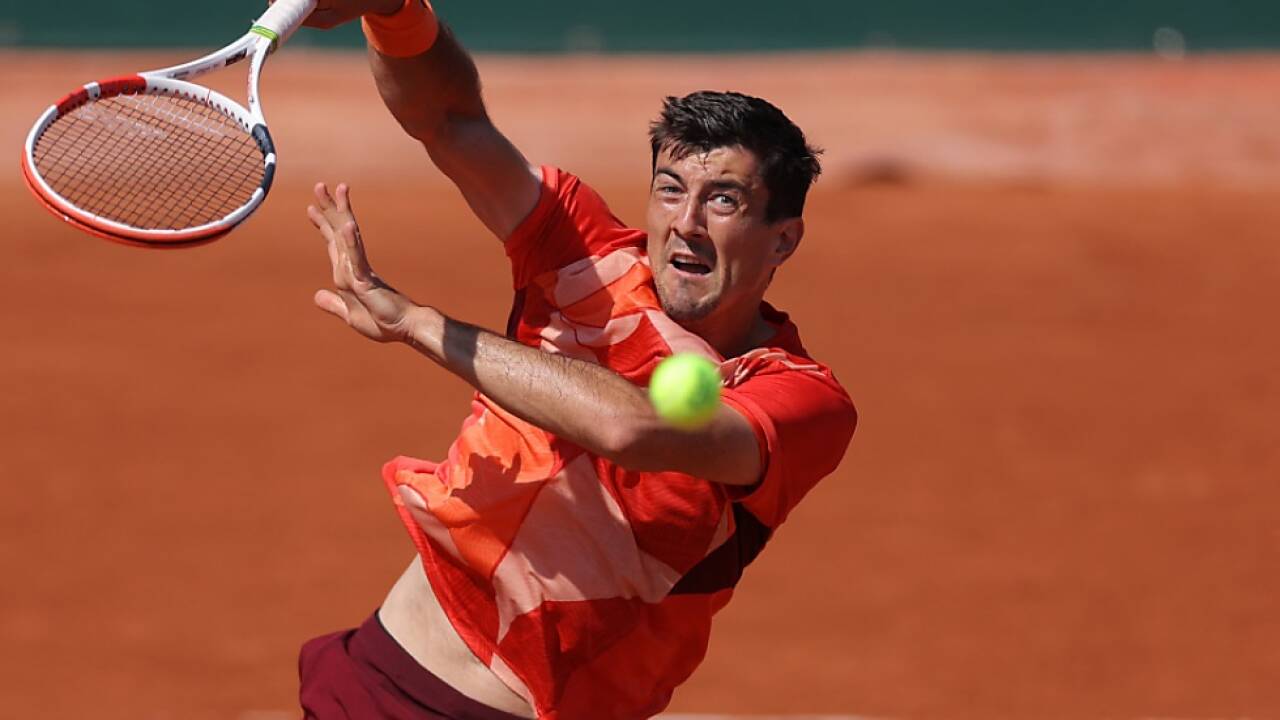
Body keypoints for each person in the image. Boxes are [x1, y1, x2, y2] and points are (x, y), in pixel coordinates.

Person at [295, 1, 857, 718]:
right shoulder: (585, 258)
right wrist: (395, 12)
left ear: (783, 239)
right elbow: (451, 121)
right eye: (671, 189)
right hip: (381, 684)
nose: (686, 222)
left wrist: (418, 323)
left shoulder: (801, 401)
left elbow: (636, 430)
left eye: (725, 199)